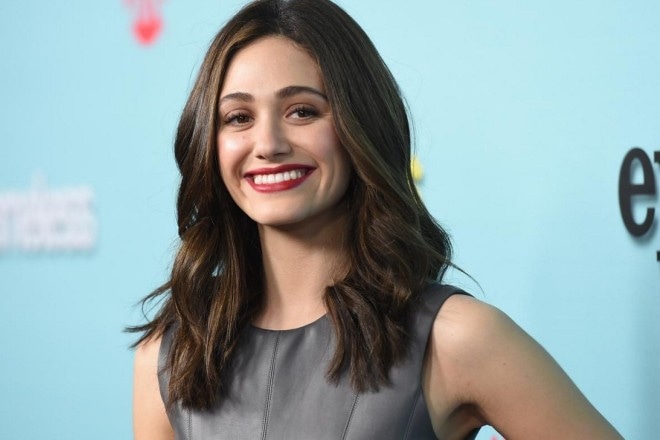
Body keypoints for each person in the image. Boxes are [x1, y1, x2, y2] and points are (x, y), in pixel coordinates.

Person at [131, 0, 623, 439]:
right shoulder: (171, 355)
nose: (268, 144)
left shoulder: (456, 338)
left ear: (359, 126)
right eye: (238, 118)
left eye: (302, 111)